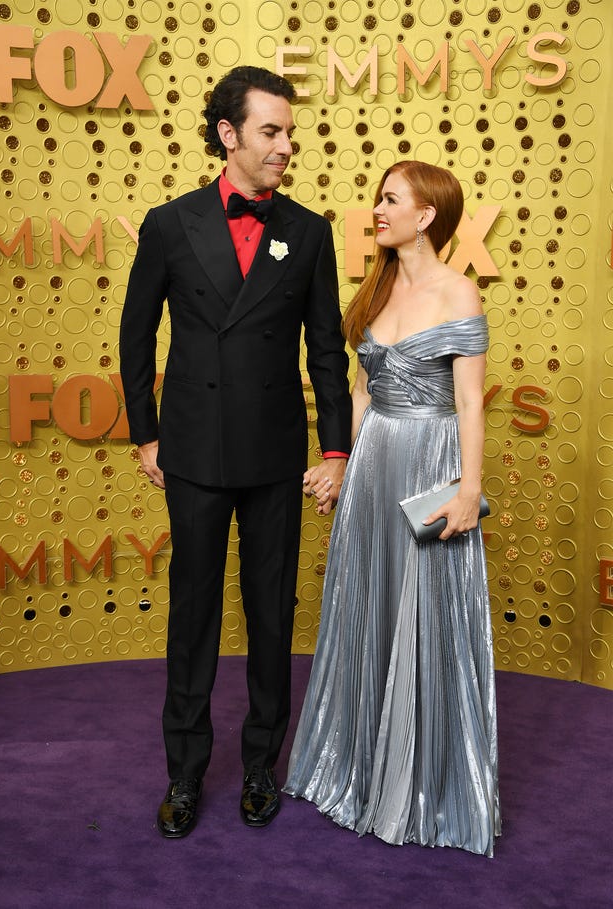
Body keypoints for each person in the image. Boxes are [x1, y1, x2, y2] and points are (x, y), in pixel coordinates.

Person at [119, 66, 352, 839]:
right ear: (229, 135)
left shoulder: (309, 229)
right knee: (191, 616)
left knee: (271, 611)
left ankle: (260, 764)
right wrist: (145, 434)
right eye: (271, 132)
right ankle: (183, 775)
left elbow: (325, 348)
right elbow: (134, 333)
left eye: (289, 132)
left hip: (277, 454)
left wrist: (337, 447)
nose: (287, 146)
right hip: (191, 451)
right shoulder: (168, 222)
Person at [284, 160, 501, 857]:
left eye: (390, 199)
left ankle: (423, 785)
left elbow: (469, 401)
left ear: (427, 214)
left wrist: (469, 488)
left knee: (427, 614)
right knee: (364, 607)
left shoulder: (459, 292)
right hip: (375, 462)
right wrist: (338, 465)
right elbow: (361, 388)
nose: (377, 209)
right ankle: (355, 766)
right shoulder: (373, 291)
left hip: (432, 463)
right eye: (377, 197)